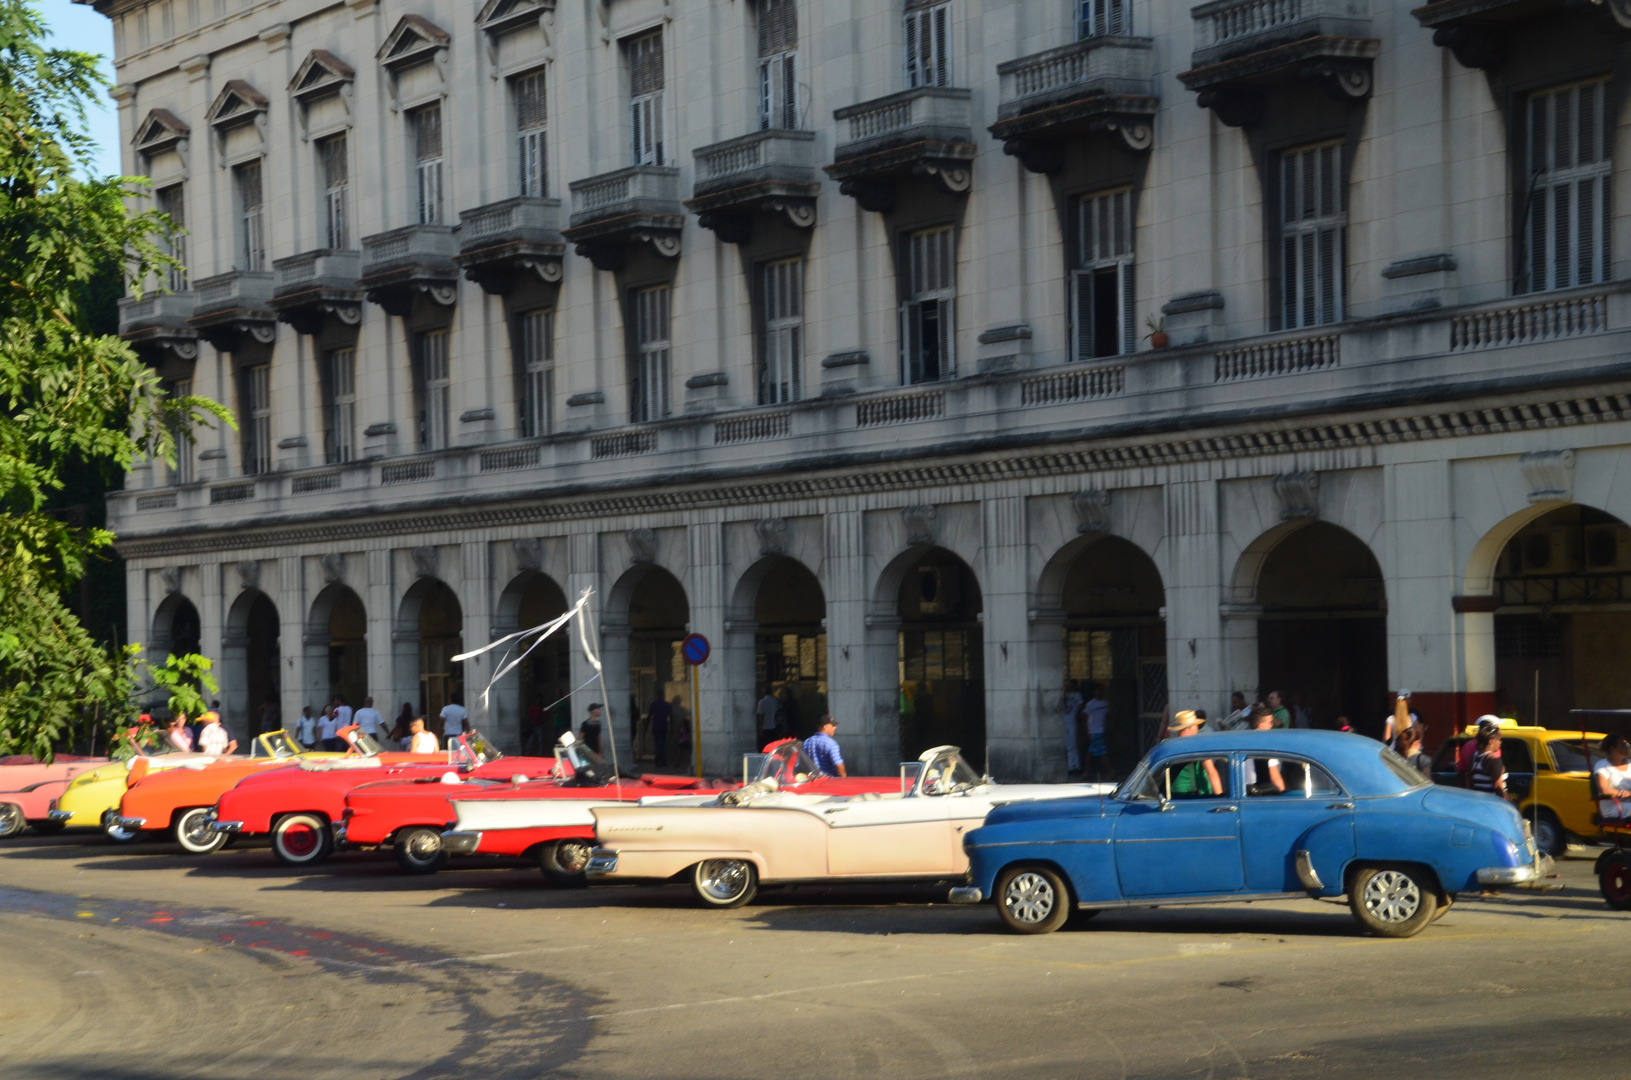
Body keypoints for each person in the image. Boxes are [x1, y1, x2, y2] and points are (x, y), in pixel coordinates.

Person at [1167, 711, 1223, 796]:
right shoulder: (1198, 746)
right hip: (1193, 796)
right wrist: (1220, 797)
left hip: (1171, 795)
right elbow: (1211, 773)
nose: (1198, 728)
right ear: (1191, 727)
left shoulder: (1166, 745)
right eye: (1196, 725)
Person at [1243, 706, 1284, 793]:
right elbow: (1275, 777)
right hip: (1259, 792)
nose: (1272, 725)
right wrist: (1283, 795)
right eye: (1270, 722)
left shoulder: (1241, 741)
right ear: (1261, 725)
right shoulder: (1266, 746)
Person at [1593, 734, 1631, 822]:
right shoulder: (1602, 766)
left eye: (1626, 745)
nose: (1626, 748)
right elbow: (1604, 790)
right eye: (1623, 745)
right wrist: (1622, 793)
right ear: (1612, 748)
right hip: (1614, 807)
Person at [1467, 729, 1508, 799]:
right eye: (1498, 739)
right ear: (1491, 741)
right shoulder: (1494, 761)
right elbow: (1498, 787)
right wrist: (1509, 802)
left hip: (1477, 800)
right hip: (1492, 802)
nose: (1500, 742)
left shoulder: (1472, 758)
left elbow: (1470, 782)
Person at [1082, 683, 1111, 781]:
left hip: (1100, 730)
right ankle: (1110, 771)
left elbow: (1107, 716)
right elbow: (1085, 718)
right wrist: (1086, 732)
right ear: (1094, 692)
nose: (1100, 692)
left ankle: (1086, 772)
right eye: (1098, 690)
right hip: (1094, 732)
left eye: (1101, 689)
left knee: (1091, 753)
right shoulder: (1091, 704)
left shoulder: (1104, 703)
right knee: (1101, 753)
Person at [1061, 679, 1084, 775]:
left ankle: (1075, 765)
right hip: (1065, 722)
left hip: (1072, 722)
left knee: (1073, 745)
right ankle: (1072, 765)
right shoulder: (1066, 696)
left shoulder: (1077, 695)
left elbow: (1082, 707)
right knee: (1069, 745)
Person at [648, 693, 672, 766]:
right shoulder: (667, 705)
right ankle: (660, 760)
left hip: (656, 727)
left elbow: (649, 716)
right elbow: (671, 717)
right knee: (661, 744)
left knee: (659, 744)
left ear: (656, 696)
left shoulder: (653, 704)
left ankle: (659, 760)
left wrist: (646, 727)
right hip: (664, 727)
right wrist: (672, 728)